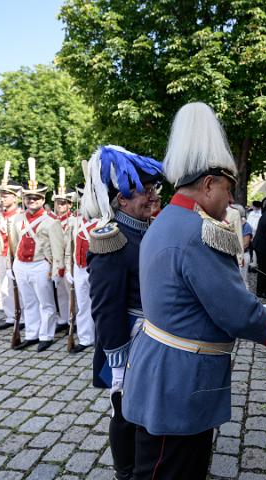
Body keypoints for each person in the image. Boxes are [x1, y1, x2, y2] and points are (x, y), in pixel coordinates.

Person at [122, 102, 266, 480]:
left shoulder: (169, 219)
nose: (230, 200)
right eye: (228, 188)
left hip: (165, 372)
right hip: (178, 383)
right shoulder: (197, 232)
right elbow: (237, 311)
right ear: (208, 184)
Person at [82, 145, 163, 480]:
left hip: (151, 336)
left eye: (151, 188)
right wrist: (115, 355)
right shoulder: (113, 237)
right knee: (124, 411)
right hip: (127, 341)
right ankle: (125, 472)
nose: (151, 195)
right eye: (142, 190)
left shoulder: (146, 230)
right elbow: (104, 304)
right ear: (121, 200)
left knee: (143, 409)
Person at [10, 158, 65, 352]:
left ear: (43, 199)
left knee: (46, 303)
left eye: (36, 198)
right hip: (21, 264)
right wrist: (13, 265)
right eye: (28, 198)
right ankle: (32, 334)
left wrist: (58, 270)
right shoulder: (17, 219)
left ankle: (46, 335)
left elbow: (58, 248)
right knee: (28, 302)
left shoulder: (51, 221)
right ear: (24, 199)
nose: (31, 201)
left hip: (41, 264)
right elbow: (14, 243)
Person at [64, 182, 98, 353]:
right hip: (78, 268)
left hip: (96, 269)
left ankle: (100, 336)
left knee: (99, 304)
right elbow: (70, 247)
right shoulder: (75, 221)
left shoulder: (104, 220)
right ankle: (86, 338)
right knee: (83, 305)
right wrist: (69, 269)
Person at [0, 165, 25, 330]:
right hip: (2, 255)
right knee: (4, 289)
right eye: (1, 195)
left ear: (15, 197)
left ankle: (24, 317)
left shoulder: (21, 216)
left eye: (6, 196)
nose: (2, 199)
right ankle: (10, 316)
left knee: (20, 289)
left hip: (17, 256)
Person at [52, 169, 77, 334]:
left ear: (69, 204)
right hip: (55, 261)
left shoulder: (73, 220)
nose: (60, 205)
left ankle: (73, 320)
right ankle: (63, 319)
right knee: (60, 293)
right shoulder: (51, 220)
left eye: (63, 203)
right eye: (57, 202)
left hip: (69, 262)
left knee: (72, 294)